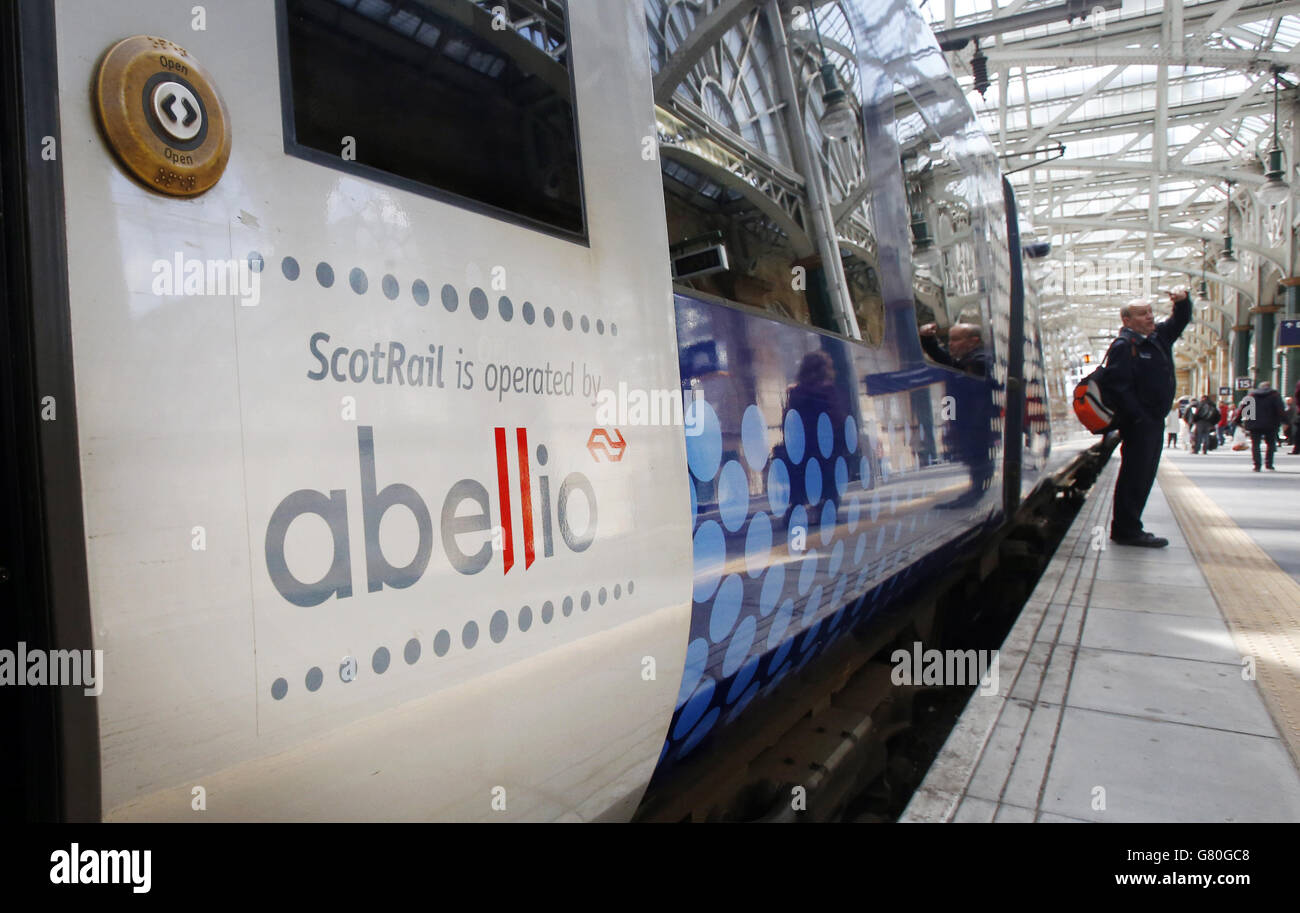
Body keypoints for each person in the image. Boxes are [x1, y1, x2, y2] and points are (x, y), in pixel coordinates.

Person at [1101, 288, 1192, 547]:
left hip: (1153, 421)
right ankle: (1126, 529)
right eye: (1142, 314)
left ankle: (1130, 526)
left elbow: (1180, 321)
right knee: (1135, 475)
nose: (1150, 317)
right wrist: (1139, 417)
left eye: (1151, 312)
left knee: (1144, 475)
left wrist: (1182, 302)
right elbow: (1118, 386)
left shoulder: (1158, 338)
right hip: (1140, 423)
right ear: (1127, 321)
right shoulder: (1124, 346)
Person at [1238, 381, 1285, 471]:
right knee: (1271, 444)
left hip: (1254, 425)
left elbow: (1244, 410)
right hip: (1271, 424)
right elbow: (1280, 410)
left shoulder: (1251, 395)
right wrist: (1285, 422)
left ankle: (1257, 465)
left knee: (1255, 445)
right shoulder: (1275, 396)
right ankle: (1269, 464)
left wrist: (1238, 421)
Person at [918, 322, 987, 376]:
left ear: (973, 341)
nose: (950, 343)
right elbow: (943, 358)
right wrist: (927, 337)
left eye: (955, 339)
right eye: (950, 340)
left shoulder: (978, 362)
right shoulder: (966, 359)